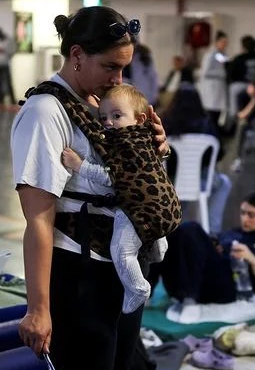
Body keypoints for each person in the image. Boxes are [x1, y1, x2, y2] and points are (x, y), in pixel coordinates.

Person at [11, 5, 170, 370]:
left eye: (125, 68)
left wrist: (153, 143)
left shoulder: (103, 102)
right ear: (75, 56)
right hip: (76, 276)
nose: (118, 79)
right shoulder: (45, 112)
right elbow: (39, 219)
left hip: (116, 273)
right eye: (109, 67)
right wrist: (40, 307)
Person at [59, 84, 174, 314]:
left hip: (137, 208)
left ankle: (138, 288)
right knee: (150, 230)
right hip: (165, 205)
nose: (108, 123)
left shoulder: (124, 145)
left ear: (140, 118)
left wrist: (79, 165)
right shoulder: (146, 137)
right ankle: (159, 246)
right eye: (103, 118)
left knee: (122, 251)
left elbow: (112, 177)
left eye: (117, 116)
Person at [151, 191, 255, 310]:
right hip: (189, 280)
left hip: (223, 288)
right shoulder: (234, 233)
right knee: (167, 231)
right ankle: (147, 291)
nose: (245, 219)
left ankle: (190, 299)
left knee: (191, 228)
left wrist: (253, 261)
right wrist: (213, 245)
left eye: (251, 215)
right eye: (243, 213)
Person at [163, 84, 233, 234]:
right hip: (199, 182)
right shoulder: (207, 124)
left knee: (179, 194)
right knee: (224, 183)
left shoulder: (166, 124)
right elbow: (218, 154)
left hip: (169, 183)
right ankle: (212, 231)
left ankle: (173, 225)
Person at [226, 35, 255, 128]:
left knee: (233, 90)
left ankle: (233, 118)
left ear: (243, 46)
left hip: (246, 85)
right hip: (253, 85)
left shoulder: (240, 58)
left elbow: (231, 74)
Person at [198, 31, 229, 131]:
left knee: (217, 115)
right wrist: (222, 73)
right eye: (223, 42)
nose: (225, 45)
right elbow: (205, 72)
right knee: (211, 116)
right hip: (211, 90)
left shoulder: (222, 55)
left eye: (226, 42)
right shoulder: (210, 55)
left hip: (218, 90)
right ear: (217, 42)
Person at [0, 27, 16, 104]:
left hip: (5, 64)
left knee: (8, 82)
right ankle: (0, 99)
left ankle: (12, 99)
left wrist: (4, 51)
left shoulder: (9, 40)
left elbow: (12, 51)